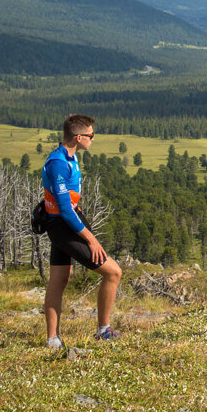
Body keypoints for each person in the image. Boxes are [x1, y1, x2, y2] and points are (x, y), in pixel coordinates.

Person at [41, 114, 123, 347]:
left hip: (66, 222)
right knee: (113, 273)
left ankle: (53, 339)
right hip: (63, 225)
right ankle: (103, 330)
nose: (92, 139)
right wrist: (91, 239)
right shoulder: (58, 163)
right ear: (78, 137)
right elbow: (66, 211)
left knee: (59, 279)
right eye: (90, 135)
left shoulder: (70, 156)